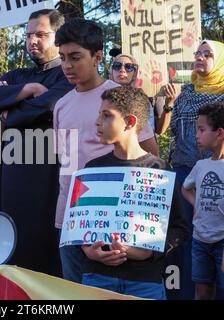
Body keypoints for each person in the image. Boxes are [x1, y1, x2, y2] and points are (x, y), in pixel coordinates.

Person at [53, 18, 157, 283]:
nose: (67, 65)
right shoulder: (61, 105)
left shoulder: (122, 99)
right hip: (70, 221)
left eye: (75, 57)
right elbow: (65, 163)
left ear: (97, 56)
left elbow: (151, 158)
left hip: (116, 222)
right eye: (63, 57)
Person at [0, 9, 74, 277]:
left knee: (46, 260)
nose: (32, 40)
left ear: (58, 37)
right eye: (29, 34)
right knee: (13, 259)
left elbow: (50, 105)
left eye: (41, 34)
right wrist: (29, 91)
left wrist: (11, 109)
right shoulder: (19, 75)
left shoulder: (66, 77)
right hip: (12, 182)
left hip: (48, 181)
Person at [79, 86, 189, 299]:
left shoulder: (160, 171)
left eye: (106, 115)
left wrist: (149, 252)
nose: (97, 122)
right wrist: (88, 250)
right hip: (97, 278)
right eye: (99, 114)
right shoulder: (91, 169)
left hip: (145, 282)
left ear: (130, 122)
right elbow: (77, 223)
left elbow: (179, 228)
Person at [160, 39, 224, 300]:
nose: (200, 57)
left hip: (215, 174)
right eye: (198, 52)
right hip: (183, 172)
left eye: (208, 53)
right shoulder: (185, 91)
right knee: (183, 237)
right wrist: (168, 104)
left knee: (214, 239)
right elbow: (166, 130)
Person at [182, 102, 224, 300]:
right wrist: (197, 203)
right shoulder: (201, 165)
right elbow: (186, 188)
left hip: (222, 241)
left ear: (220, 132)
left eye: (201, 129)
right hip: (200, 240)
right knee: (202, 290)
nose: (196, 135)